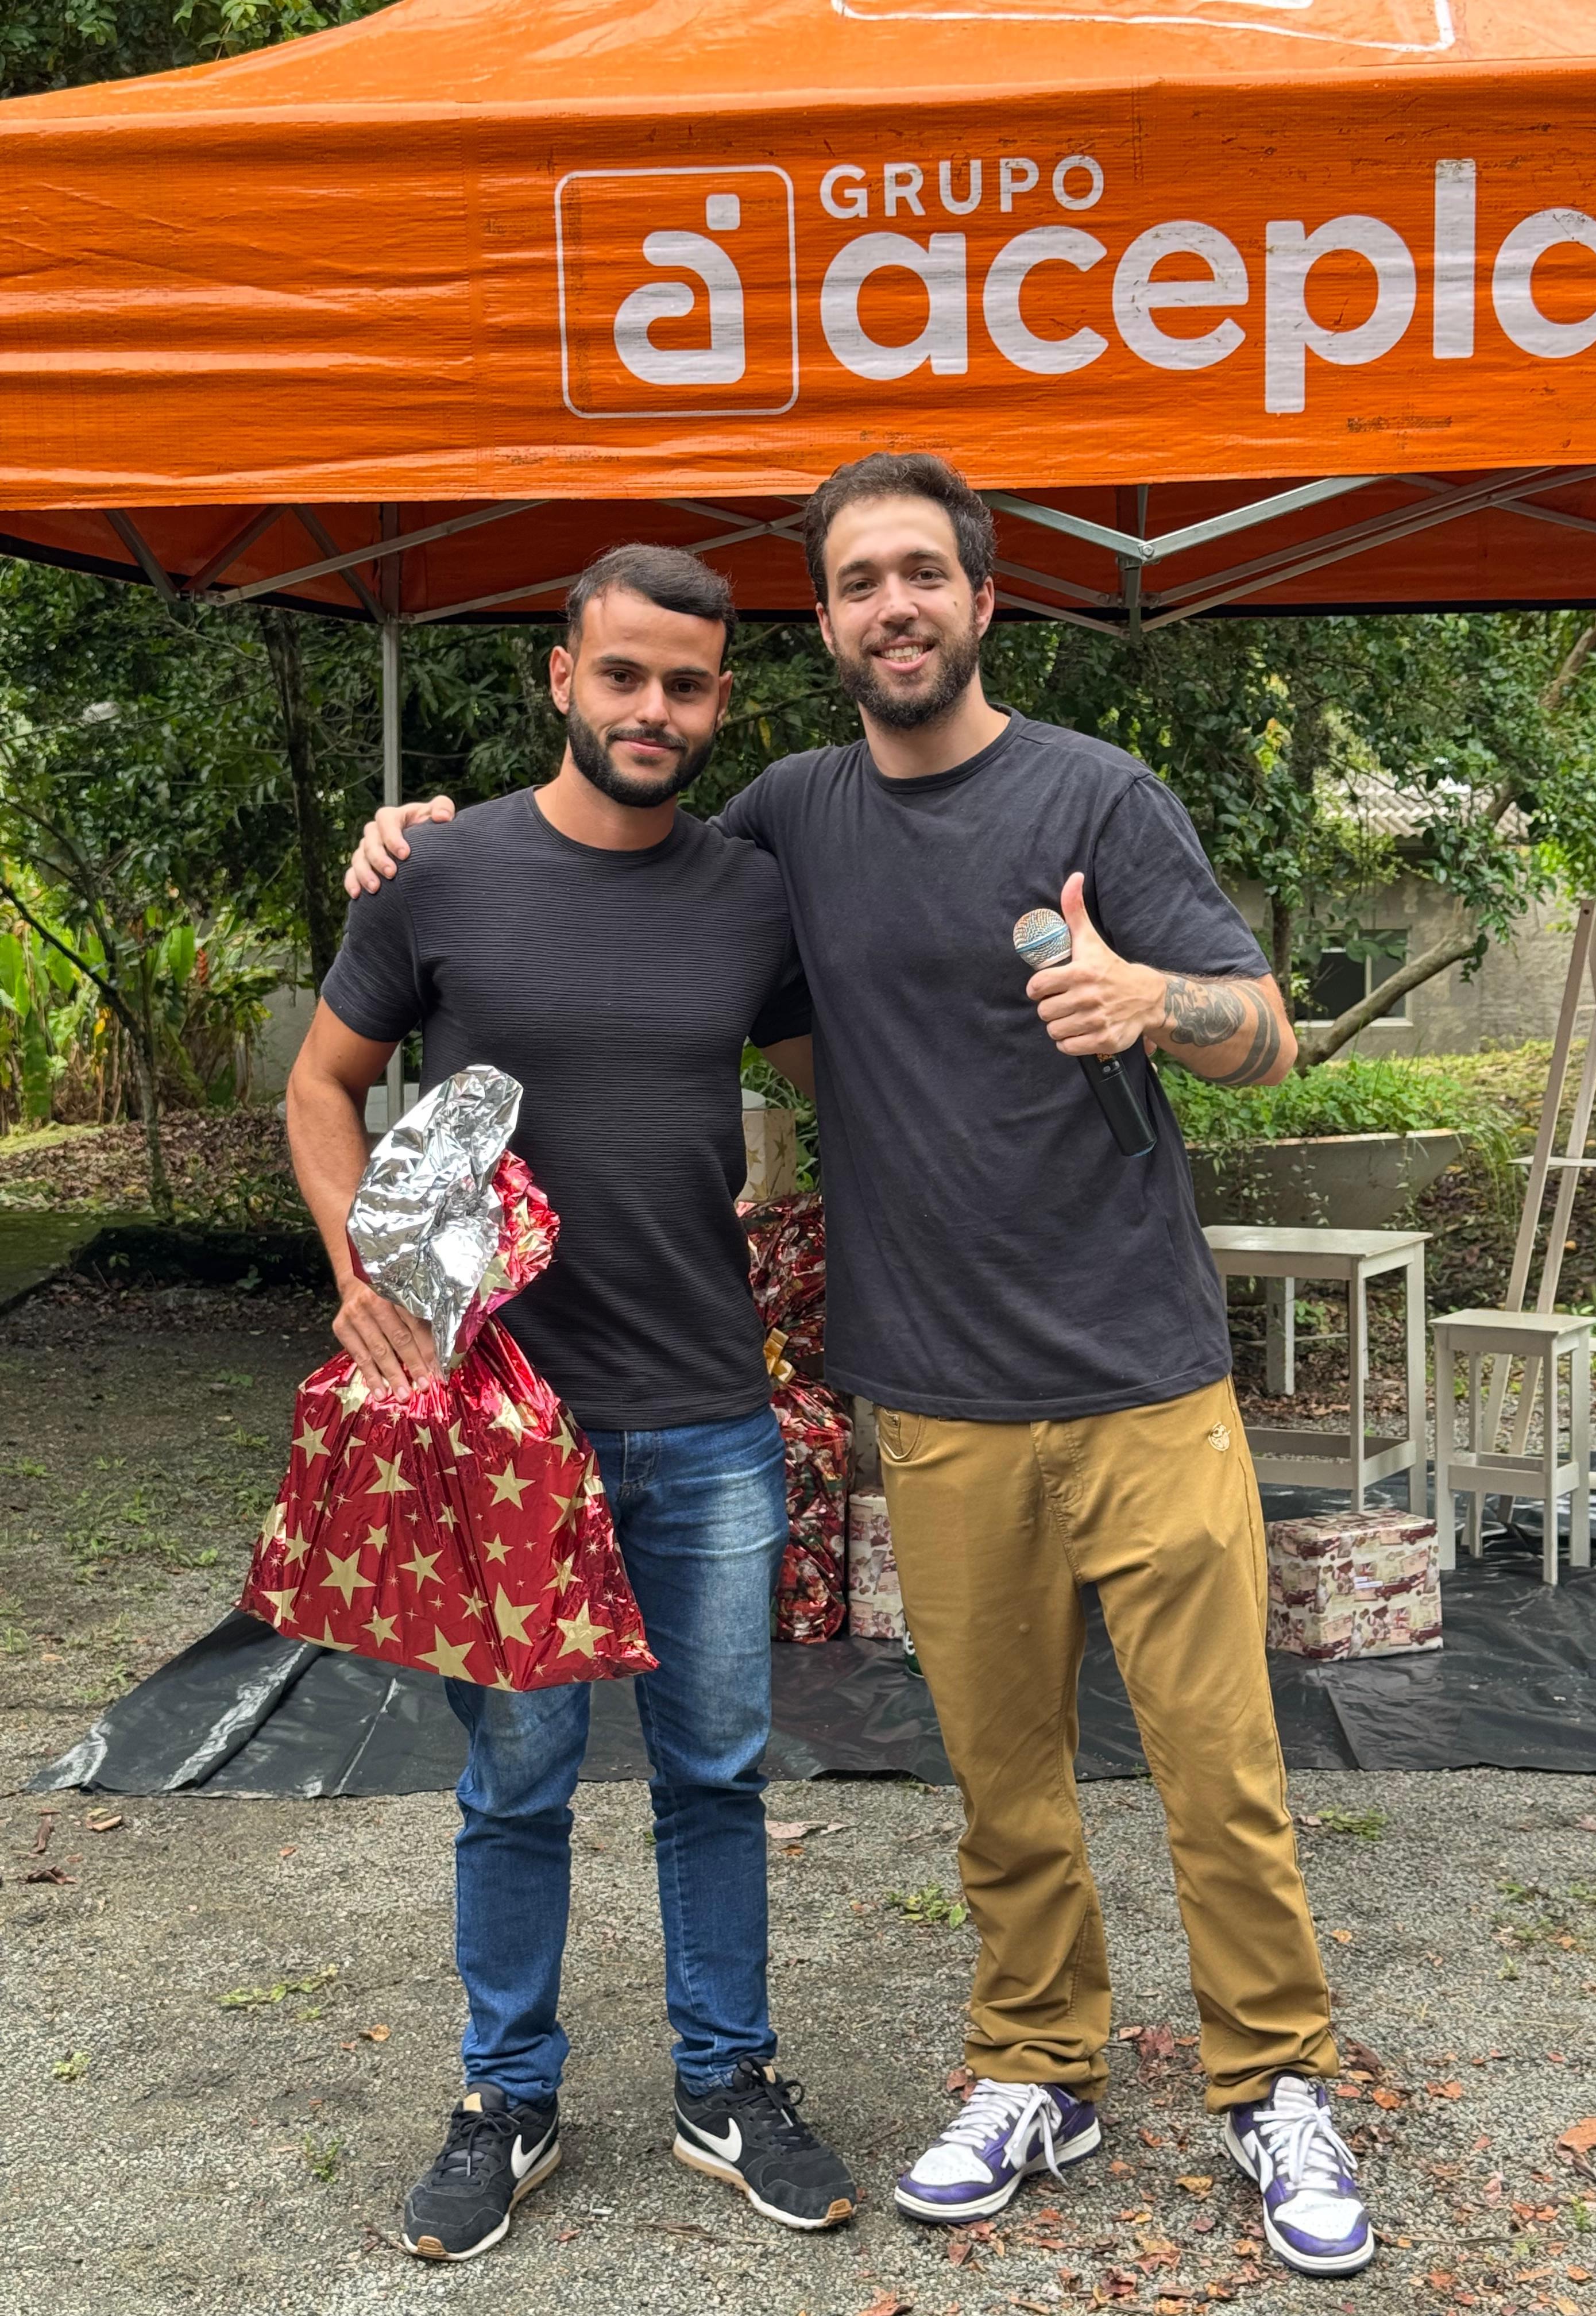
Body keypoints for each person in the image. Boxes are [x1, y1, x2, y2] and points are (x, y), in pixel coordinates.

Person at [346, 457, 1375, 2280]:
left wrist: (1157, 1002)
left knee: (1218, 1767)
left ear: (983, 599)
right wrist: (417, 841)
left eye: (923, 573)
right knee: (1003, 1779)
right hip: (936, 1388)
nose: (895, 605)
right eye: (859, 582)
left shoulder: (1095, 794)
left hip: (1140, 1371)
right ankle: (1039, 2067)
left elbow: (1273, 1036)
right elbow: (601, 846)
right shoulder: (787, 825)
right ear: (822, 625)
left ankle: (1275, 2083)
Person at [288, 543, 856, 2263]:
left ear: (721, 701)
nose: (652, 709)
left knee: (717, 1771)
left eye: (686, 684)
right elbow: (325, 1086)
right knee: (519, 1775)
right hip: (505, 1417)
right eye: (623, 675)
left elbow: (857, 1085)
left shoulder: (750, 895)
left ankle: (725, 2081)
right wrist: (363, 1271)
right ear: (562, 678)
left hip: (708, 1410)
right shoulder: (442, 874)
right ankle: (506, 2099)